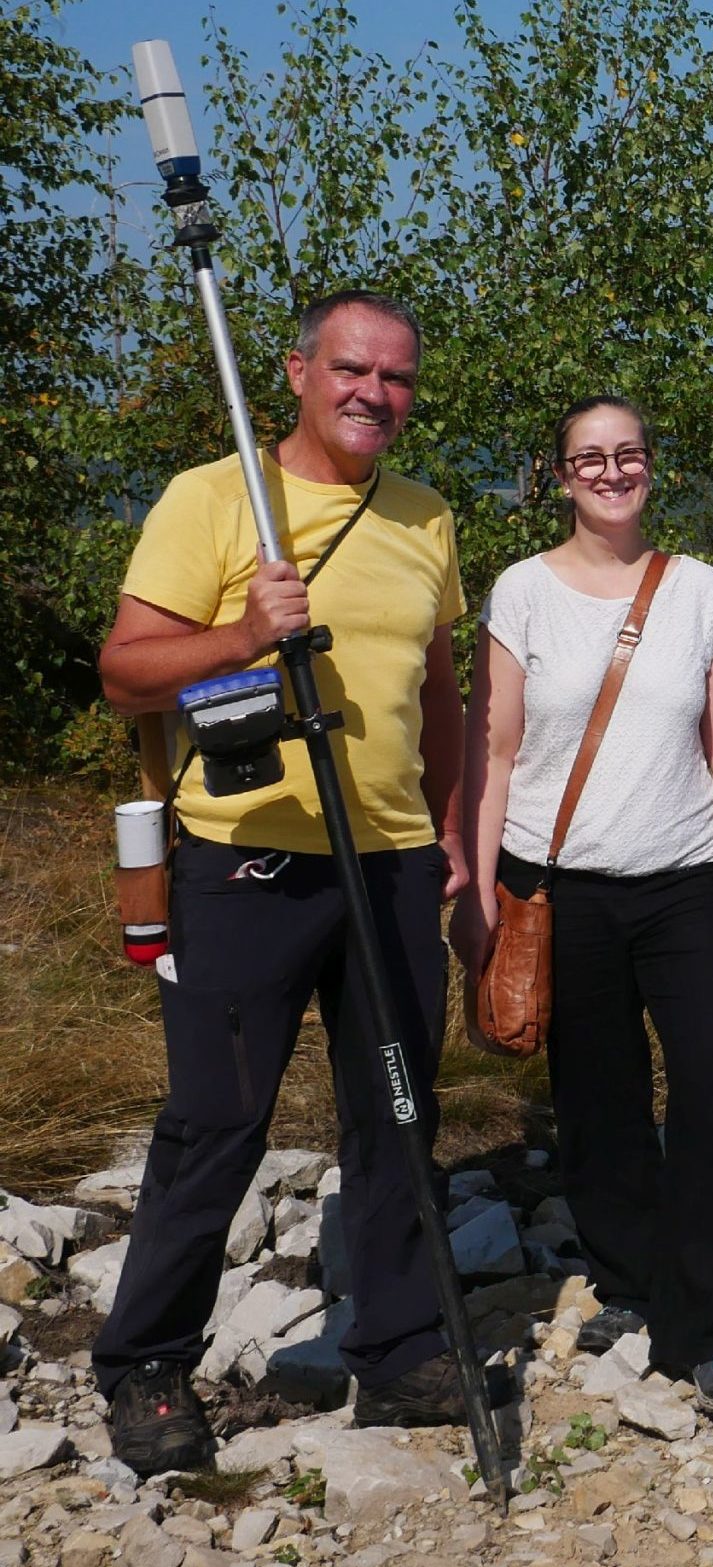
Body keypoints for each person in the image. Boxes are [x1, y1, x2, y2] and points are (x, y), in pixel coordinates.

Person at [92, 290, 471, 1473]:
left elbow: (442, 692)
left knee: (400, 1112)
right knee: (217, 1119)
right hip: (245, 862)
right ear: (300, 372)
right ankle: (147, 1363)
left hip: (395, 860)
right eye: (353, 369)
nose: (375, 394)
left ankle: (403, 1348)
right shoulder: (213, 498)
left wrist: (453, 838)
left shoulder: (427, 518)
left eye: (398, 378)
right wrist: (243, 637)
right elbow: (124, 672)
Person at [454, 396, 713, 1421]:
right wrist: (473, 885)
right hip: (560, 886)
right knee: (597, 1107)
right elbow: (493, 751)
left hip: (686, 877)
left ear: (651, 468)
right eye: (588, 459)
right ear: (558, 476)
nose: (609, 472)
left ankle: (712, 1329)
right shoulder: (521, 594)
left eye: (627, 455)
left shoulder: (696, 591)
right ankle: (636, 1273)